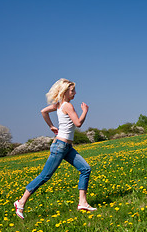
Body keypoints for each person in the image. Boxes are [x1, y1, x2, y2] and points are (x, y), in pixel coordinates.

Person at [14, 78, 96, 220]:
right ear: (65, 92)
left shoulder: (59, 105)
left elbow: (43, 111)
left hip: (66, 147)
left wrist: (51, 126)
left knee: (85, 169)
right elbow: (78, 123)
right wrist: (85, 111)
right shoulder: (68, 106)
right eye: (72, 90)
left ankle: (83, 202)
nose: (75, 93)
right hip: (60, 147)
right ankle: (20, 203)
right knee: (44, 176)